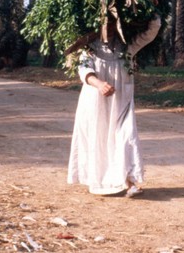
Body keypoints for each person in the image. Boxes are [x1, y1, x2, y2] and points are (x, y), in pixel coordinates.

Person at [67, 14, 161, 197]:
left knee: (126, 136)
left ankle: (130, 183)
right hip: (96, 103)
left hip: (121, 102)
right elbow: (84, 70)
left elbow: (151, 32)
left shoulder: (127, 46)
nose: (109, 27)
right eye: (105, 23)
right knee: (99, 139)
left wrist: (152, 11)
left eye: (112, 23)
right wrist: (99, 84)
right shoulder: (89, 48)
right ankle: (99, 180)